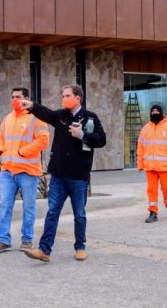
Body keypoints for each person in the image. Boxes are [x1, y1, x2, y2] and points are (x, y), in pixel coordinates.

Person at [19, 85, 106, 262]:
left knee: (79, 214)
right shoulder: (61, 115)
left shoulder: (90, 118)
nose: (64, 98)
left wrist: (82, 135)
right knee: (52, 212)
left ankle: (80, 247)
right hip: (59, 174)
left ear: (78, 98)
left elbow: (101, 140)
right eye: (63, 95)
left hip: (78, 176)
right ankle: (44, 250)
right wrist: (33, 106)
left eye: (67, 95)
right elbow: (47, 113)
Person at [0, 87, 50, 253]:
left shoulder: (36, 118)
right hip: (7, 171)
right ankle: (4, 240)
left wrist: (23, 152)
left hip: (28, 171)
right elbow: (0, 137)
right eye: (13, 97)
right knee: (5, 206)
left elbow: (43, 141)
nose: (15, 100)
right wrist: (0, 151)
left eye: (18, 97)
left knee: (29, 207)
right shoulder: (8, 118)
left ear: (26, 99)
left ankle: (27, 240)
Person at [137, 104, 167, 223]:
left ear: (162, 113)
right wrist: (140, 164)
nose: (155, 112)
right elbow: (140, 148)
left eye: (157, 111)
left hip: (165, 167)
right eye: (153, 110)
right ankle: (153, 213)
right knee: (151, 190)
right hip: (150, 167)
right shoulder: (145, 129)